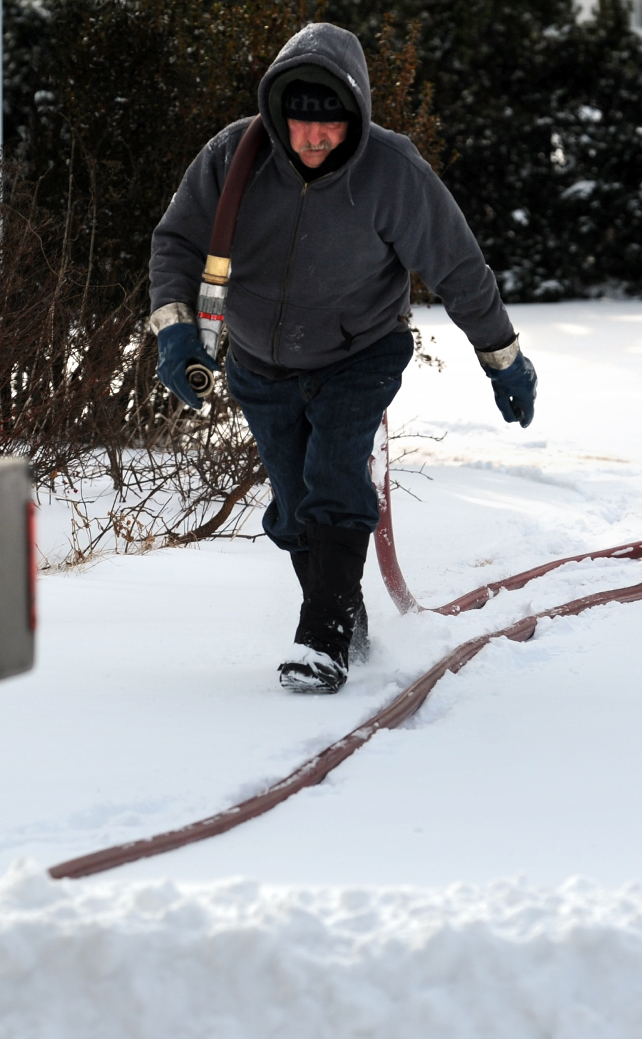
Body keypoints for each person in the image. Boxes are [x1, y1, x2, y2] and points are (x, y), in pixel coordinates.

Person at [149, 22, 537, 694]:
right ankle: (343, 617)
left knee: (334, 476)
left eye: (330, 124)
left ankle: (321, 639)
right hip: (259, 361)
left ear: (354, 115)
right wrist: (176, 330)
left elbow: (458, 267)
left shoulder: (392, 171)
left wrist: (501, 356)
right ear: (278, 114)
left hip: (360, 351)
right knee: (296, 507)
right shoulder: (230, 159)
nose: (314, 138)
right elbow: (177, 244)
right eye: (300, 122)